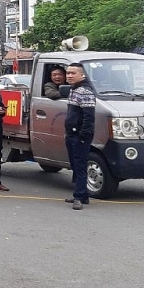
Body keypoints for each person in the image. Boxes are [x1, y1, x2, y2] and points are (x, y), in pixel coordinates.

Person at [63, 63, 95, 210]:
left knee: (80, 166)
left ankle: (78, 197)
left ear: (82, 75)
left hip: (79, 136)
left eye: (73, 73)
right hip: (71, 134)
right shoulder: (73, 89)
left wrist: (82, 136)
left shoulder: (85, 91)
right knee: (75, 165)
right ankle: (83, 194)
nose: (69, 75)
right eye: (68, 73)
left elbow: (89, 117)